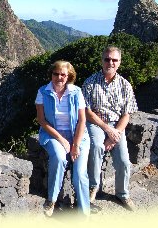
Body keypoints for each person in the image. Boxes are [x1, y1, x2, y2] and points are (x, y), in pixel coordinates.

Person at [82, 46, 138, 211]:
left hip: (117, 126)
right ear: (102, 61)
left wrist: (115, 134)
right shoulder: (90, 82)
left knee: (124, 161)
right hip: (97, 123)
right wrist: (107, 129)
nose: (110, 63)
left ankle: (122, 194)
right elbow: (87, 111)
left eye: (114, 60)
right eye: (107, 59)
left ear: (119, 63)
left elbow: (126, 114)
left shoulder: (125, 85)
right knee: (97, 146)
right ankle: (93, 187)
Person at [35, 60, 90, 217]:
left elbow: (82, 120)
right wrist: (62, 139)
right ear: (51, 74)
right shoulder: (42, 92)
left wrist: (76, 144)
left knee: (79, 173)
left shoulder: (76, 92)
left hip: (78, 135)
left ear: (69, 76)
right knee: (59, 158)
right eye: (56, 74)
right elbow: (42, 121)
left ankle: (84, 213)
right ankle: (51, 200)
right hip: (52, 134)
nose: (59, 77)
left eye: (63, 74)